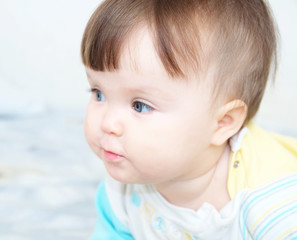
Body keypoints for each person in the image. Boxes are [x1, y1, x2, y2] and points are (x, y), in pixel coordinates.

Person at [80, 0, 297, 239]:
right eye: (98, 93)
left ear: (222, 123)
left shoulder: (274, 205)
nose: (108, 123)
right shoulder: (122, 189)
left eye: (140, 106)